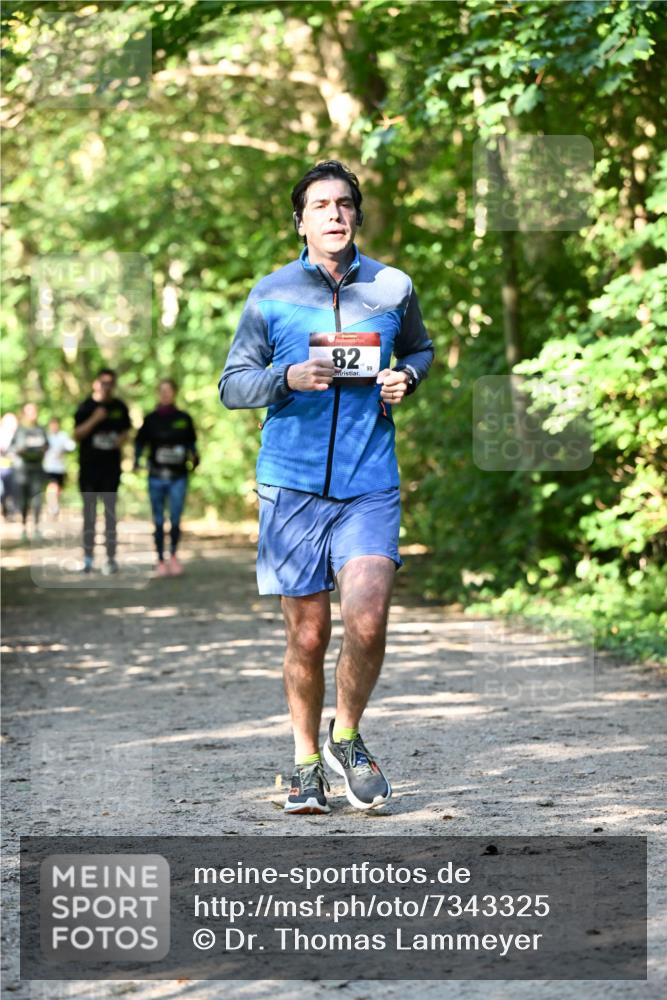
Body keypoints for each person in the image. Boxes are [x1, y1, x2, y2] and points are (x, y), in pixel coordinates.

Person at [219, 160, 433, 815]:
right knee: (308, 637)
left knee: (367, 619)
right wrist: (285, 377)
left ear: (356, 215)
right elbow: (232, 385)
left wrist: (405, 378)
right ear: (300, 222)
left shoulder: (391, 287)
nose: (334, 214)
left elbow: (419, 350)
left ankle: (346, 737)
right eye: (320, 205)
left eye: (343, 203)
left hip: (369, 482)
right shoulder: (271, 293)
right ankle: (305, 763)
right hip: (292, 486)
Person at [134, 378, 199, 577]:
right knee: (158, 519)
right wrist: (136, 460)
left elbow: (191, 443)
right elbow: (140, 442)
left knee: (176, 519)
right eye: (162, 390)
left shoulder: (184, 418)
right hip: (156, 476)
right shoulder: (151, 419)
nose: (165, 394)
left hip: (178, 476)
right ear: (158, 393)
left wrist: (195, 457)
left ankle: (173, 556)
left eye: (168, 390)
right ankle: (160, 559)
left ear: (174, 393)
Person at [73, 369, 131, 575]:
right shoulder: (85, 407)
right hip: (89, 471)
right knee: (89, 514)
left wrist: (120, 440)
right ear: (95, 384)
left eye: (110, 383)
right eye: (103, 382)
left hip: (111, 470)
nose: (107, 387)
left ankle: (111, 558)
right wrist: (95, 419)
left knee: (110, 515)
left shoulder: (119, 407)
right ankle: (88, 558)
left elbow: (126, 431)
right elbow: (77, 434)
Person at [9, 403, 48, 542]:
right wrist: (19, 450)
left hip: (37, 469)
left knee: (37, 499)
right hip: (22, 470)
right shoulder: (20, 430)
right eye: (29, 412)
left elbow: (47, 445)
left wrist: (43, 450)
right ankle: (24, 528)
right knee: (24, 500)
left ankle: (36, 528)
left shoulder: (41, 430)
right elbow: (11, 448)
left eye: (34, 411)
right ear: (24, 414)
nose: (32, 414)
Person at [43, 417, 76, 517]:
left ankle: (54, 504)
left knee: (57, 488)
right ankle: (52, 506)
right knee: (52, 486)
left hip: (60, 468)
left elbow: (71, 446)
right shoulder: (46, 436)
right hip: (48, 467)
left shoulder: (63, 436)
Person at [0, 412, 18, 520]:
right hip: (1, 468)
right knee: (1, 491)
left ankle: (9, 511)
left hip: (13, 468)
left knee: (11, 492)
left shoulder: (17, 435)